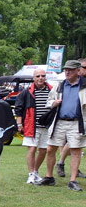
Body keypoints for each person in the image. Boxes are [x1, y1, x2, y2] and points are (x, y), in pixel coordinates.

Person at [36, 60, 85, 191]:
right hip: (59, 121)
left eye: (70, 70)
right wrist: (54, 103)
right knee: (50, 148)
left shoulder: (84, 86)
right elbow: (49, 101)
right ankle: (49, 176)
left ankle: (73, 180)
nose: (67, 72)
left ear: (78, 71)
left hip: (77, 122)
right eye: (66, 70)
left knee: (76, 151)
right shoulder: (60, 85)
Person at [14, 67, 51, 184]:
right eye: (38, 76)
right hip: (31, 125)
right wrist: (19, 123)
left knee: (44, 150)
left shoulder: (51, 90)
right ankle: (31, 174)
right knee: (32, 149)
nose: (41, 78)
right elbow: (19, 108)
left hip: (47, 126)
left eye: (43, 76)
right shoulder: (27, 91)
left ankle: (35, 171)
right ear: (34, 78)